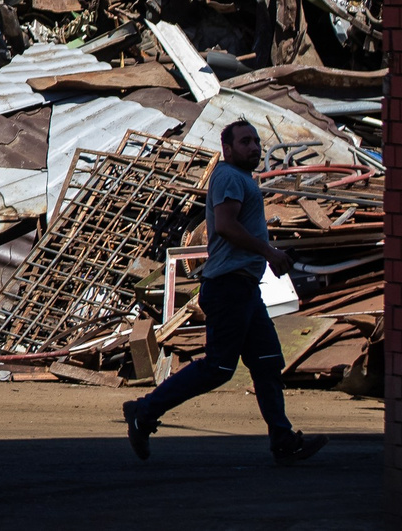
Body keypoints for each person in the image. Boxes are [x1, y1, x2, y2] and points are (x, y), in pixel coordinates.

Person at [122, 120, 330, 466]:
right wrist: (269, 252)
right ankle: (143, 412)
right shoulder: (230, 177)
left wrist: (269, 255)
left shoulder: (241, 178)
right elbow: (226, 226)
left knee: (266, 362)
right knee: (218, 367)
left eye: (256, 141)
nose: (254, 147)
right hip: (228, 288)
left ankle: (283, 441)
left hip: (244, 289)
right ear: (227, 149)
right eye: (245, 142)